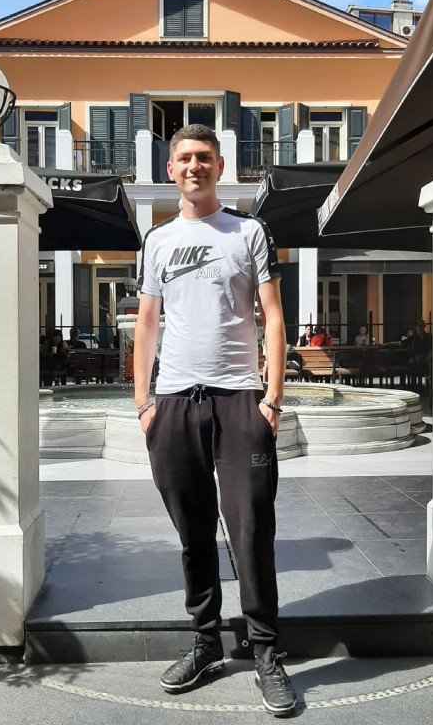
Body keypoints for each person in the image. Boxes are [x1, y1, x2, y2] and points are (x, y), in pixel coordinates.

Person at [134, 124, 296, 717]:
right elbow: (146, 324)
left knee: (251, 531)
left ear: (219, 166)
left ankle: (267, 652)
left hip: (239, 400)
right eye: (184, 158)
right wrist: (144, 404)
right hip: (175, 402)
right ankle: (205, 642)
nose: (194, 166)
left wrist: (271, 399)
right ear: (171, 169)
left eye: (204, 157)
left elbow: (272, 316)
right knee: (193, 533)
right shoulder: (156, 240)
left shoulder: (249, 231)